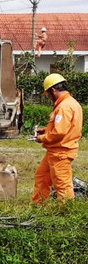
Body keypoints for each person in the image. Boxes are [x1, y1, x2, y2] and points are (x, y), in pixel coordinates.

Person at [32, 73, 83, 204]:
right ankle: (38, 205)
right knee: (42, 177)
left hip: (61, 152)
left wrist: (42, 138)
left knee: (62, 184)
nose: (49, 97)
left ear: (53, 90)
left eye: (48, 94)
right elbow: (64, 128)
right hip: (55, 151)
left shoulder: (64, 106)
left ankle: (66, 213)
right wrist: (46, 130)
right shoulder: (71, 103)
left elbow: (59, 132)